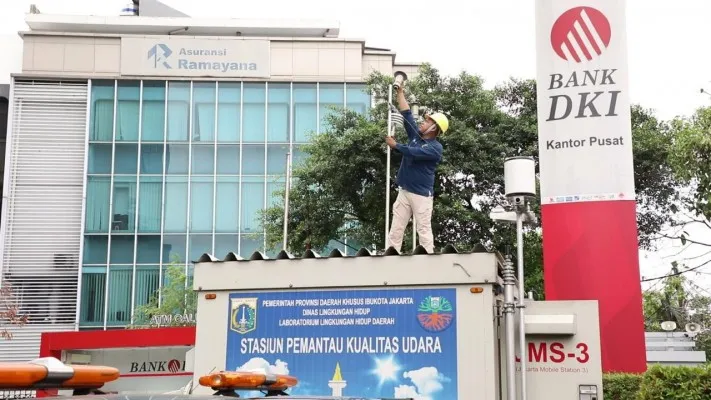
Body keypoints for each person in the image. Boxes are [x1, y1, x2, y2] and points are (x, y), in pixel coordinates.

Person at [385, 85, 449, 254]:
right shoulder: (416, 136)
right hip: (405, 191)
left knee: (424, 231)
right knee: (395, 230)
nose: (423, 121)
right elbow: (406, 114)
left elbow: (413, 152)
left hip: (421, 196)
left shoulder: (435, 148)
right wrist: (400, 93)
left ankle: (427, 261)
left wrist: (396, 145)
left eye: (428, 121)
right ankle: (391, 258)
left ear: (434, 128)